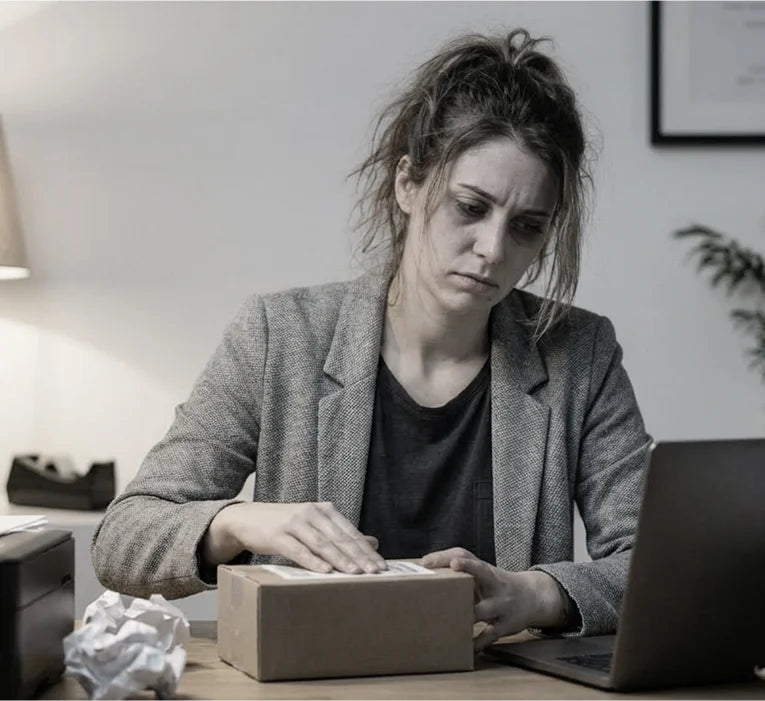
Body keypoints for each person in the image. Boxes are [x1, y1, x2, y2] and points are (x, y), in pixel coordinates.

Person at [91, 27, 651, 652]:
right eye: (470, 207)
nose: (493, 250)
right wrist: (240, 521)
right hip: (309, 684)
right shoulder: (282, 337)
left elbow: (654, 566)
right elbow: (122, 539)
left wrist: (534, 594)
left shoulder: (582, 353)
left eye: (525, 227)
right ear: (408, 183)